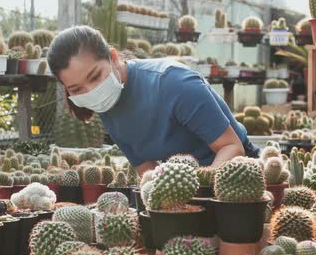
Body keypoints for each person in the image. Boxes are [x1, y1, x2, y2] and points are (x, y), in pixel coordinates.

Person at [47, 26, 259, 176]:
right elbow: (146, 169)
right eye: (77, 89)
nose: (92, 92)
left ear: (113, 58)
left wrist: (198, 190)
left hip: (234, 170)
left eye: (94, 77)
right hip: (180, 180)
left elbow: (232, 147)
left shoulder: (174, 83)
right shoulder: (107, 102)